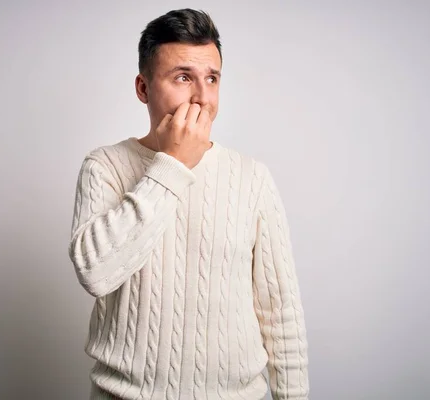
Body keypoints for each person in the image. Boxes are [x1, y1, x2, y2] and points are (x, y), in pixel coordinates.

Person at [68, 8, 309, 400]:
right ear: (143, 89)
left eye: (211, 79)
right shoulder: (104, 166)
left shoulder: (252, 177)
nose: (202, 97)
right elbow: (96, 274)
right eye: (183, 77)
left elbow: (280, 313)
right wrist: (173, 165)